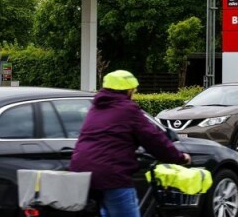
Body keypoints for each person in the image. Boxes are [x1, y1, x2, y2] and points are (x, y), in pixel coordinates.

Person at [69, 70, 191, 217]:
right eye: (133, 90)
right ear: (128, 90)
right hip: (111, 174)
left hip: (81, 171)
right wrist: (179, 157)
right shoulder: (128, 109)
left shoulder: (96, 108)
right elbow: (153, 138)